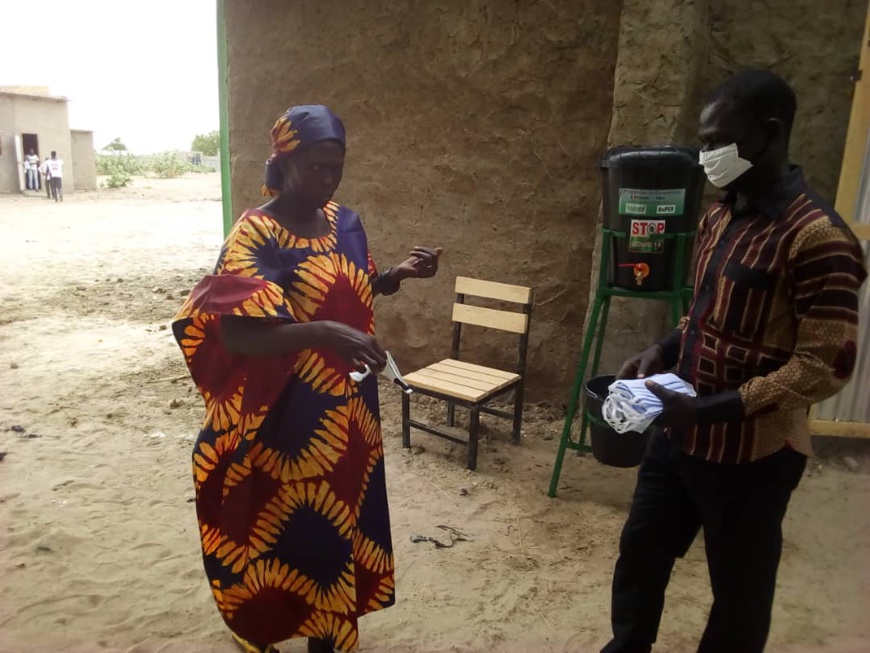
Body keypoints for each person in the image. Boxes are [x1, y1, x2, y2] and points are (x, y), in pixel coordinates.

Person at [602, 70, 867, 653]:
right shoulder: (720, 217)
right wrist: (661, 350)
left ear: (769, 135)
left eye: (717, 141)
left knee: (739, 596)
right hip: (680, 432)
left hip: (755, 455)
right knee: (641, 554)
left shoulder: (818, 239)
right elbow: (698, 316)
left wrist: (714, 410)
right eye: (703, 141)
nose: (705, 156)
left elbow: (822, 367)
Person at [172, 105, 442, 653]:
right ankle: (265, 628)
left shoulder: (346, 222)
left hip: (352, 414)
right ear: (284, 161)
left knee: (340, 527)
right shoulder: (257, 235)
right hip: (288, 419)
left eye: (336, 167)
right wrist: (324, 334)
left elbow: (352, 284)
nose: (327, 179)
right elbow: (239, 337)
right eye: (316, 167)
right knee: (287, 530)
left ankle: (330, 638)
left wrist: (397, 276)